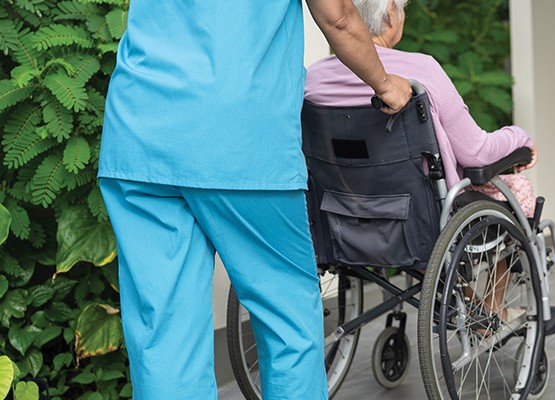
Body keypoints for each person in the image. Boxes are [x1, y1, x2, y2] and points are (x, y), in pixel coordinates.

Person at [97, 0, 412, 398]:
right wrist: (385, 83)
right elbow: (337, 16)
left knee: (164, 334)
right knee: (287, 321)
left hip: (140, 133)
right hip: (241, 141)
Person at [304, 0, 538, 329]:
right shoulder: (420, 70)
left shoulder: (314, 77)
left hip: (340, 215)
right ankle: (490, 308)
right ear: (389, 16)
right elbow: (477, 153)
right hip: (419, 220)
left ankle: (471, 301)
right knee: (517, 192)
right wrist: (519, 137)